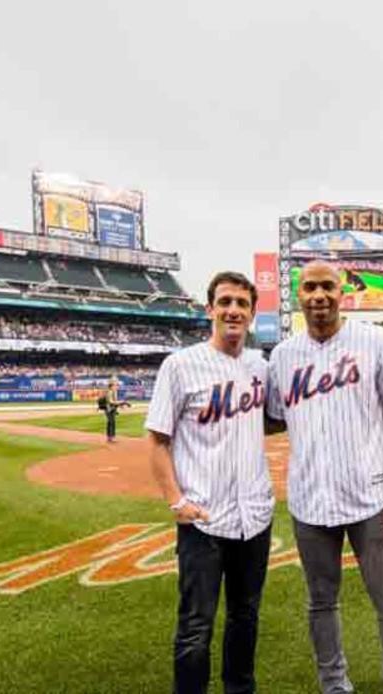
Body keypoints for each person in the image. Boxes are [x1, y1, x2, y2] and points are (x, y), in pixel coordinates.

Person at [266, 261, 383, 694]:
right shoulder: (282, 356)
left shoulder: (376, 342)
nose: (319, 295)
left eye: (327, 287)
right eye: (310, 287)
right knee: (320, 603)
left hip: (370, 496)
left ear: (342, 293)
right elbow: (275, 420)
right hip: (309, 500)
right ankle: (334, 686)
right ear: (298, 295)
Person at [146, 271, 273, 694]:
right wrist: (175, 502)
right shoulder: (180, 365)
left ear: (252, 314)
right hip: (203, 518)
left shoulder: (260, 366)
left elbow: (270, 419)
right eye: (225, 302)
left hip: (254, 517)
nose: (233, 310)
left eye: (242, 303)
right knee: (195, 627)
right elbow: (158, 440)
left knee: (245, 617)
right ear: (211, 309)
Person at [99, 377, 128, 443]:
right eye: (115, 385)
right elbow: (111, 401)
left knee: (110, 422)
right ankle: (111, 437)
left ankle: (109, 437)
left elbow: (114, 401)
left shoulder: (114, 392)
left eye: (117, 385)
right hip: (109, 409)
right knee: (111, 423)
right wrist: (120, 402)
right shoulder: (109, 392)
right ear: (111, 386)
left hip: (112, 409)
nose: (117, 386)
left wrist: (120, 405)